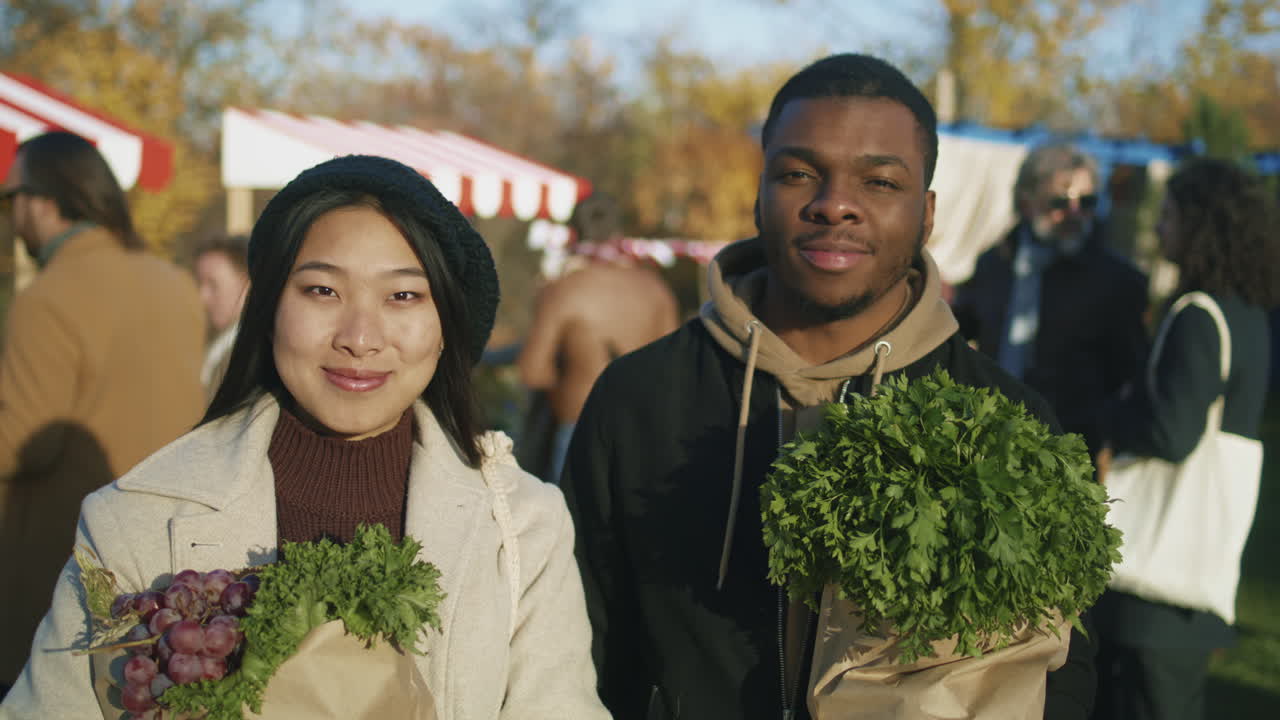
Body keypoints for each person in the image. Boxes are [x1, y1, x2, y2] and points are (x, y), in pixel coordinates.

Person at [560, 53, 1096, 720]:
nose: (834, 205)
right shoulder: (638, 399)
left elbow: (1062, 669)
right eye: (798, 174)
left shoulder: (1008, 422)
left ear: (926, 214)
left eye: (879, 182)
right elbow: (579, 651)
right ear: (759, 195)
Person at [0, 155, 610, 719]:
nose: (360, 337)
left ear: (445, 325)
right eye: (322, 290)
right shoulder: (134, 521)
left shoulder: (524, 527)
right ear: (268, 310)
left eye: (403, 296)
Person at [0, 132, 205, 694]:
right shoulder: (174, 284)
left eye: (9, 199)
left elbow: (24, 441)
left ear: (40, 201)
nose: (11, 218)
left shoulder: (48, 296)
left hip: (59, 570)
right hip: (163, 564)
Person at [1091, 157, 1278, 720]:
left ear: (1200, 224)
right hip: (1190, 584)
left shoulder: (1198, 314)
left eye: (1168, 215)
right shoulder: (1247, 314)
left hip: (1153, 596)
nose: (1157, 228)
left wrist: (1109, 416)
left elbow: (1172, 433)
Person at [951, 143, 1148, 461]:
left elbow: (1128, 375)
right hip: (989, 441)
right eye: (1059, 202)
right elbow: (964, 333)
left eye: (1086, 202)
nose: (1074, 214)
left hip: (1069, 449)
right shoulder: (995, 264)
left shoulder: (1116, 281)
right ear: (1027, 204)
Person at [516, 193, 679, 482]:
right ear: (619, 232)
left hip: (579, 430)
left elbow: (532, 372)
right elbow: (674, 374)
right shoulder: (656, 290)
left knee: (576, 525)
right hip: (646, 434)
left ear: (574, 233)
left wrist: (571, 373)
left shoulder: (563, 290)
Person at [190, 233, 250, 400]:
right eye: (199, 283)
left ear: (246, 284)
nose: (202, 297)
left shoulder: (250, 357)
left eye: (213, 284)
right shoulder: (217, 345)